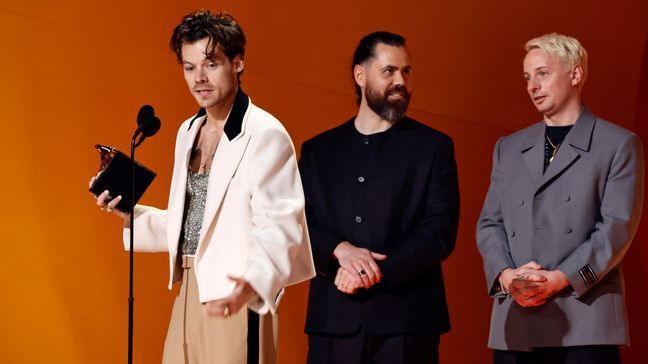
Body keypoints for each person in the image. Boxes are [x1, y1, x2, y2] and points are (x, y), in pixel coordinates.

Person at [90, 10, 314, 363]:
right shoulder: (187, 131)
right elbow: (195, 220)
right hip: (188, 288)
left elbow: (283, 225)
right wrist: (128, 211)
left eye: (210, 64)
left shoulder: (265, 134)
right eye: (189, 67)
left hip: (238, 293)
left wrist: (252, 287)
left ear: (237, 62)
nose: (199, 79)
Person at [476, 33, 644, 364]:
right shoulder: (508, 148)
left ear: (576, 74)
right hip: (516, 319)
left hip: (584, 318)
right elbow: (489, 223)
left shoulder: (617, 144)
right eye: (527, 77)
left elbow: (616, 227)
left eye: (542, 73)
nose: (532, 85)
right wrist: (507, 277)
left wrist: (559, 279)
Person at [300, 31, 460, 364]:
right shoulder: (318, 151)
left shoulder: (433, 147)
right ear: (360, 75)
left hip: (408, 321)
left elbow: (440, 230)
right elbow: (298, 222)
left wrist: (373, 271)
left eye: (406, 72)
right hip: (333, 318)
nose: (400, 80)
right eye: (389, 71)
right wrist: (339, 250)